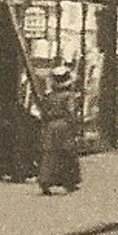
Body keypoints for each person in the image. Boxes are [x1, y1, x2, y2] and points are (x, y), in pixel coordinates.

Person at [36, 66, 82, 196]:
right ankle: (69, 181)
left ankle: (45, 181)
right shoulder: (69, 96)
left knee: (50, 153)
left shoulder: (50, 96)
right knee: (67, 152)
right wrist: (74, 126)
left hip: (51, 125)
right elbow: (71, 111)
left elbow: (43, 111)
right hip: (64, 125)